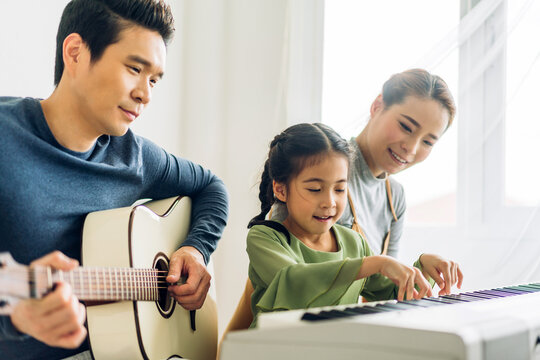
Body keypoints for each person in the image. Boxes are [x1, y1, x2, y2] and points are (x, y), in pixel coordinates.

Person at [0, 1, 228, 359]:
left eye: (154, 79)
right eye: (134, 69)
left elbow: (211, 187)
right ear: (75, 53)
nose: (145, 94)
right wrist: (14, 317)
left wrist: (196, 248)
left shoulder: (135, 156)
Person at [246, 123, 462, 327]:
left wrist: (423, 267)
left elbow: (393, 295)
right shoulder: (264, 237)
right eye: (314, 189)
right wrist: (372, 264)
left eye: (339, 189)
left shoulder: (353, 241)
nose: (329, 202)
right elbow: (292, 281)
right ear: (281, 190)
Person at [274, 68, 456, 258]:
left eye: (427, 142)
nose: (411, 148)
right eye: (406, 127)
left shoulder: (394, 198)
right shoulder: (318, 168)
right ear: (377, 106)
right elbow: (280, 265)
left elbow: (387, 283)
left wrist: (422, 270)